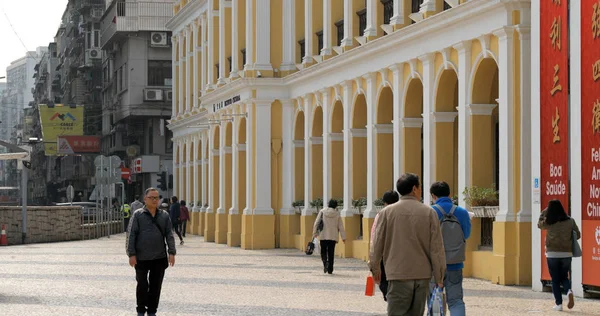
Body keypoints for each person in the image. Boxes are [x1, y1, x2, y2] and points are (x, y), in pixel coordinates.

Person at [369, 173, 446, 316]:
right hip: (422, 275)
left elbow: (376, 243)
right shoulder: (429, 213)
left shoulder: (387, 212)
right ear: (414, 189)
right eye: (420, 187)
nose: (421, 190)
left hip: (397, 273)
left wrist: (375, 268)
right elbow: (436, 248)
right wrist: (439, 277)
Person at [126, 187, 176, 316]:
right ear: (145, 199)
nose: (154, 200)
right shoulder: (138, 215)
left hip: (159, 258)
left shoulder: (164, 216)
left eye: (156, 198)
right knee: (142, 285)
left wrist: (172, 252)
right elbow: (131, 234)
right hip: (141, 257)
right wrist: (131, 254)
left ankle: (152, 311)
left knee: (156, 286)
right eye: (151, 197)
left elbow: (169, 234)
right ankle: (141, 310)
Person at [430, 181, 472, 316]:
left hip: (434, 265)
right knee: (455, 301)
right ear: (450, 194)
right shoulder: (461, 212)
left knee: (434, 300)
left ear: (433, 195)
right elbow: (466, 234)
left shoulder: (430, 212)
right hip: (455, 263)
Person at [538, 199, 581, 311]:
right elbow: (578, 235)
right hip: (567, 253)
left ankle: (559, 304)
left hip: (552, 254)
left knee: (555, 280)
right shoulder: (570, 221)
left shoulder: (549, 222)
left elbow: (539, 224)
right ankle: (568, 291)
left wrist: (544, 211)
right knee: (564, 277)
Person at [369, 190, 400, 302]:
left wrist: (373, 260)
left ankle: (390, 299)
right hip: (400, 253)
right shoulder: (403, 214)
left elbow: (375, 237)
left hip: (384, 253)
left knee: (384, 280)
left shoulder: (381, 215)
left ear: (385, 202)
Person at [312, 199, 346, 274]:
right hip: (333, 236)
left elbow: (316, 223)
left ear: (328, 204)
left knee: (323, 251)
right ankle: (330, 269)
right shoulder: (337, 214)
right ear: (335, 206)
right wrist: (343, 237)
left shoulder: (322, 212)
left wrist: (314, 233)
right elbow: (341, 226)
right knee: (331, 252)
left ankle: (325, 263)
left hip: (323, 235)